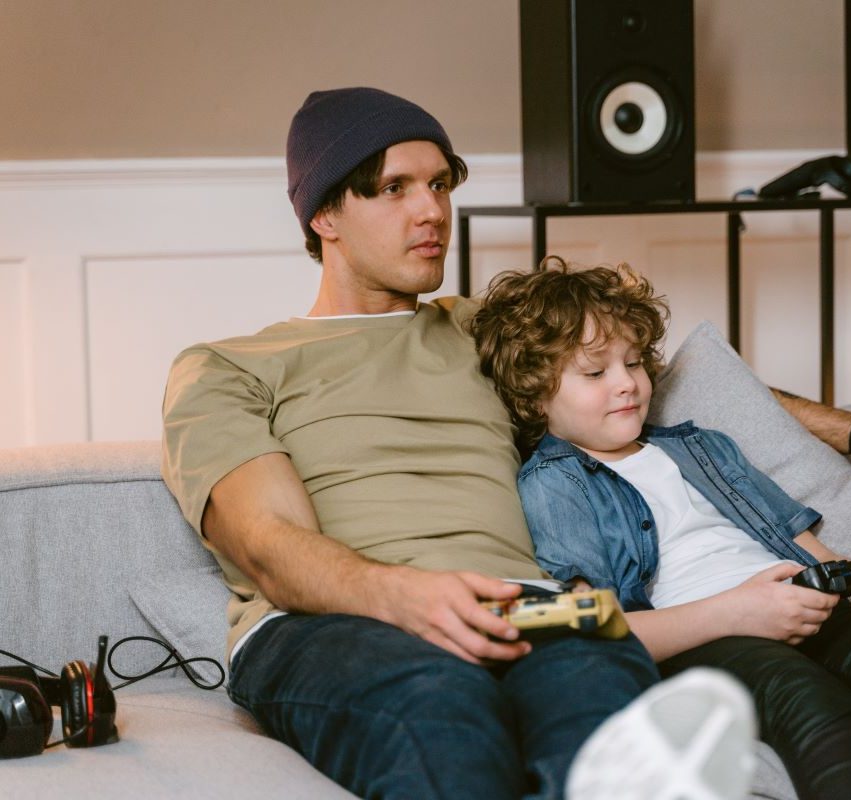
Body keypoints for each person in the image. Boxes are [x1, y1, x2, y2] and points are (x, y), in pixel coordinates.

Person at [161, 87, 761, 800]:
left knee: (600, 715)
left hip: (526, 606)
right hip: (333, 626)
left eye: (440, 184)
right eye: (394, 189)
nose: (432, 212)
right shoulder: (229, 366)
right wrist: (405, 596)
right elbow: (270, 543)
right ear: (325, 214)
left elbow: (651, 381)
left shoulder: (484, 330)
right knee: (443, 711)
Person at [470, 258, 851, 800]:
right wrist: (737, 611)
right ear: (535, 394)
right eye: (595, 372)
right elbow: (598, 628)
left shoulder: (700, 446)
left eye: (634, 363)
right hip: (711, 639)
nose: (627, 384)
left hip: (807, 608)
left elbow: (795, 537)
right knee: (817, 709)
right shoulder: (555, 483)